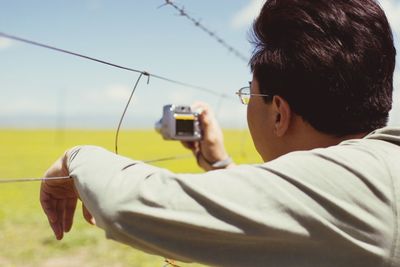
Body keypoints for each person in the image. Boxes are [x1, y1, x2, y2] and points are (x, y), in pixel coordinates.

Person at [40, 0, 399, 266]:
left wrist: (76, 158)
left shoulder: (358, 191)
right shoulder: (379, 172)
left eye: (250, 94)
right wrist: (219, 162)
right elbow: (293, 207)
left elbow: (129, 206)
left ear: (279, 113)